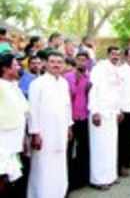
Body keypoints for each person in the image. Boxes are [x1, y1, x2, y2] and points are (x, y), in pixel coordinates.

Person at [27, 51, 73, 198]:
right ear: (46, 63)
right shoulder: (37, 84)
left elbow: (67, 106)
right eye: (52, 61)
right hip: (43, 133)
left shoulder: (64, 83)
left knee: (59, 164)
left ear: (64, 65)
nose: (56, 65)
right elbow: (32, 110)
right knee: (42, 166)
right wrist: (35, 133)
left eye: (59, 62)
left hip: (60, 131)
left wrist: (69, 126)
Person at [88, 46, 124, 190]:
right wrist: (95, 111)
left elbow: (117, 93)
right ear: (108, 54)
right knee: (100, 148)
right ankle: (98, 180)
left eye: (118, 54)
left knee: (111, 146)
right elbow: (93, 90)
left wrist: (119, 110)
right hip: (100, 113)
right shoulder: (99, 68)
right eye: (113, 54)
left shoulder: (117, 70)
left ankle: (110, 176)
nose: (116, 56)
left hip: (112, 113)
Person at [0, 54, 29, 198]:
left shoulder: (14, 87)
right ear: (6, 68)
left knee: (11, 179)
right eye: (15, 65)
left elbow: (22, 112)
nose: (19, 67)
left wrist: (23, 139)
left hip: (14, 143)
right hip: (2, 144)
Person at [64, 52, 91, 191]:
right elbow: (68, 98)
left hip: (84, 117)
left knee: (83, 149)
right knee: (68, 151)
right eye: (79, 60)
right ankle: (67, 182)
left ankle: (82, 178)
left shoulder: (88, 77)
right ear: (75, 61)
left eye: (84, 60)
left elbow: (88, 95)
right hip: (71, 119)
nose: (82, 62)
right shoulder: (68, 77)